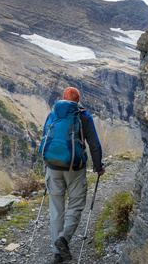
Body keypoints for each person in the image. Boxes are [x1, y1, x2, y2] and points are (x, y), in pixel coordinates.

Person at [41, 87, 105, 264]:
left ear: (63, 98)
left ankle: (57, 253)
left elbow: (45, 138)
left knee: (56, 210)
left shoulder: (52, 115)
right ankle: (63, 239)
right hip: (75, 169)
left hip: (53, 167)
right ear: (77, 101)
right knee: (76, 206)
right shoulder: (83, 117)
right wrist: (98, 167)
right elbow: (94, 145)